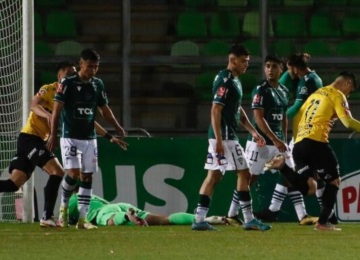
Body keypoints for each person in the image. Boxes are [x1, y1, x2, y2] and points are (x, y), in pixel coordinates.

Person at [225, 54, 314, 225]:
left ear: (281, 69)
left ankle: (302, 215)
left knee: (290, 176)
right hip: (260, 143)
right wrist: (275, 139)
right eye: (267, 66)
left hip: (279, 142)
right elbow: (258, 118)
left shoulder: (283, 90)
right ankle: (232, 213)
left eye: (274, 66)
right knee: (250, 178)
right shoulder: (261, 89)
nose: (270, 70)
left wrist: (284, 138)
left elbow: (283, 117)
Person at [266, 71, 360, 231]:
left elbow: (296, 117)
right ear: (347, 83)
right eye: (350, 91)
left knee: (310, 187)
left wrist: (297, 140)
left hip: (299, 144)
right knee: (334, 181)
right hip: (316, 142)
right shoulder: (337, 95)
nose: (348, 96)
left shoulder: (315, 94)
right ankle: (323, 222)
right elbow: (348, 122)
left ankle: (283, 167)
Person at [191, 44, 271, 231]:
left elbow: (238, 110)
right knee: (244, 173)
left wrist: (253, 131)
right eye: (243, 61)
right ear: (232, 60)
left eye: (247, 62)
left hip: (222, 136)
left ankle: (199, 219)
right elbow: (215, 109)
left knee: (214, 176)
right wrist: (219, 140)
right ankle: (249, 219)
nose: (246, 65)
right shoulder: (225, 81)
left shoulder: (234, 81)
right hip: (225, 137)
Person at [47, 49, 127, 230]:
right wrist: (53, 134)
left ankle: (83, 219)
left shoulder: (98, 84)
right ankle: (63, 210)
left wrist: (117, 126)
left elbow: (103, 109)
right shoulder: (67, 83)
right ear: (81, 64)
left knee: (87, 176)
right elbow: (57, 110)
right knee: (73, 174)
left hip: (90, 139)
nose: (93, 70)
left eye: (96, 67)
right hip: (70, 137)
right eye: (90, 66)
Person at [0, 62, 75, 227]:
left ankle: (48, 216)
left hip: (35, 140)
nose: (71, 75)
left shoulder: (70, 96)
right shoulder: (49, 89)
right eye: (68, 72)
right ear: (59, 75)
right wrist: (48, 116)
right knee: (57, 172)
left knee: (13, 184)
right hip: (30, 137)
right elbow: (34, 105)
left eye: (73, 73)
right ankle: (47, 216)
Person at [254, 53, 324, 224]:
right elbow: (282, 82)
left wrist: (281, 114)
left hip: (308, 134)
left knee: (306, 176)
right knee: (289, 172)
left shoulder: (308, 82)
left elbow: (298, 108)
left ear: (293, 67)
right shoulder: (310, 78)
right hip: (304, 133)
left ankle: (325, 213)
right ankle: (295, 214)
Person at [68, 193, 229, 227]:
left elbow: (68, 220)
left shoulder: (73, 199)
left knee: (110, 221)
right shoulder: (91, 194)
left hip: (104, 212)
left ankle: (126, 215)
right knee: (163, 219)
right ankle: (204, 219)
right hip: (119, 203)